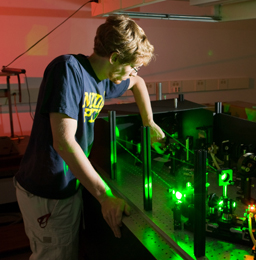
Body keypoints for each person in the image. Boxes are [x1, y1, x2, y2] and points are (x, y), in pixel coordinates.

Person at [14, 15, 164, 259]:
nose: (131, 72)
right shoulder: (68, 69)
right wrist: (106, 196)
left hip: (69, 186)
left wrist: (150, 123)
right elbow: (64, 142)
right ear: (115, 57)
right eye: (131, 66)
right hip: (47, 192)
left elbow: (138, 82)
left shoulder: (104, 80)